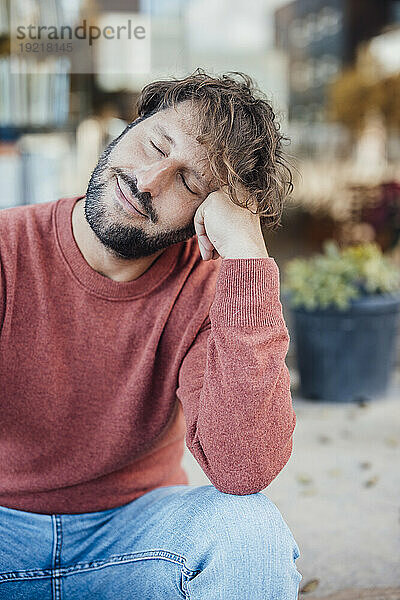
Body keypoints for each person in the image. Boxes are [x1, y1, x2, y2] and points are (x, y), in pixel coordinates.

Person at [0, 70, 302, 599]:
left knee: (249, 532)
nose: (148, 181)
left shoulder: (215, 291)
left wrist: (248, 261)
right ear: (128, 127)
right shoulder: (8, 248)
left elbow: (243, 466)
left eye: (189, 182)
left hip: (136, 537)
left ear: (207, 216)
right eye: (155, 144)